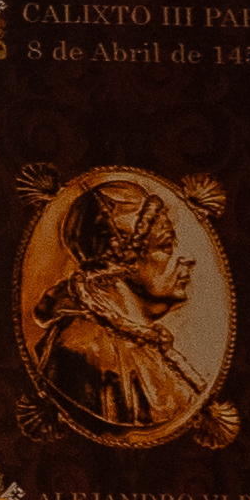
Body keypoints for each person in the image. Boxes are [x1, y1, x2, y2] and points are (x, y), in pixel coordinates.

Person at [23, 176, 218, 445]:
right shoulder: (80, 350)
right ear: (120, 262)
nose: (186, 257)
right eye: (165, 246)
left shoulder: (148, 342)